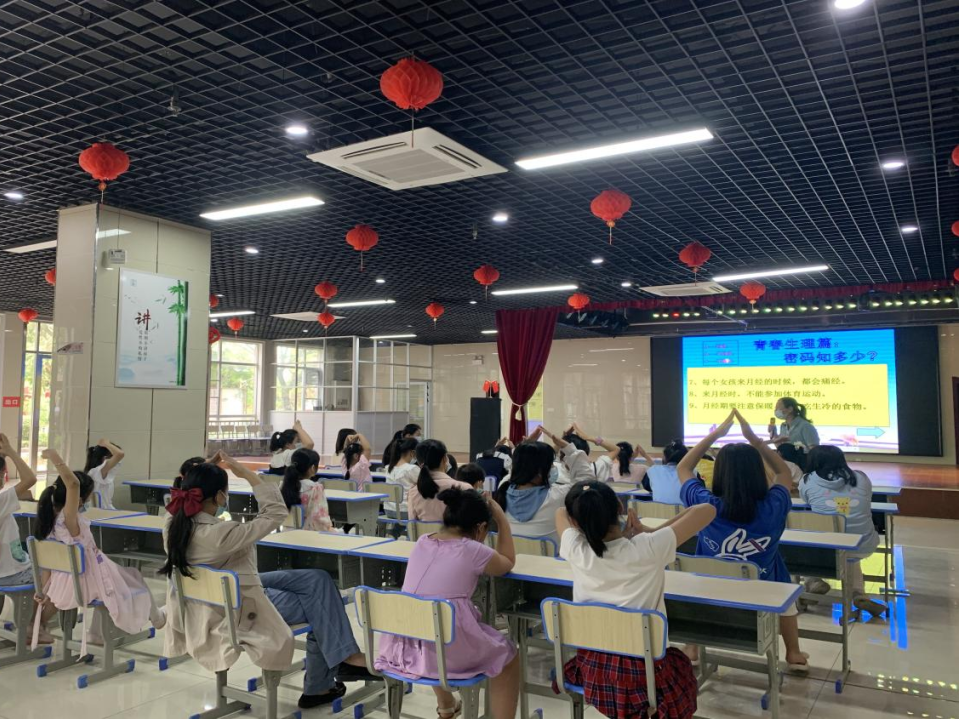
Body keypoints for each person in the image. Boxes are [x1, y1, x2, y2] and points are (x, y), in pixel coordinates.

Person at [160, 452, 373, 709]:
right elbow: (275, 511)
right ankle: (325, 681)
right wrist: (245, 473)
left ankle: (342, 661)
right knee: (322, 604)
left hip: (223, 592)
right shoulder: (220, 533)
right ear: (219, 497)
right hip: (237, 607)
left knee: (318, 579)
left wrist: (202, 472)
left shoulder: (172, 526)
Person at [556, 481, 716, 719]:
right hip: (645, 676)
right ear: (620, 507)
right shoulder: (649, 546)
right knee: (680, 666)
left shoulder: (576, 549)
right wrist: (649, 531)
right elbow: (707, 509)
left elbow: (561, 512)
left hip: (594, 673)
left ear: (576, 523)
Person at [677, 409, 807, 671]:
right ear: (758, 472)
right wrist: (756, 440)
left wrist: (715, 435)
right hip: (764, 595)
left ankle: (691, 647)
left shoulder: (705, 505)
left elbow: (683, 468)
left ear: (719, 472)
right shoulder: (774, 506)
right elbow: (784, 473)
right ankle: (793, 653)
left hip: (711, 590)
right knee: (783, 584)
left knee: (697, 578)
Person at [375, 488, 520, 719]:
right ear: (481, 528)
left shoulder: (422, 542)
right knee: (508, 655)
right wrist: (502, 520)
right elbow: (508, 562)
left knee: (433, 624)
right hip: (443, 653)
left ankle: (446, 706)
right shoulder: (473, 550)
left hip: (402, 649)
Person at [35, 448, 164, 651]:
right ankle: (156, 619)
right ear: (78, 500)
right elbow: (73, 484)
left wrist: (43, 590)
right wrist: (54, 457)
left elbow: (47, 566)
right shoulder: (69, 521)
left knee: (126, 577)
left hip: (65, 581)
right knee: (132, 577)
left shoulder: (49, 522)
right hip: (86, 579)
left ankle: (98, 633)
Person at [799, 445, 884, 615]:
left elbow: (807, 501)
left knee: (812, 537)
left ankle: (813, 582)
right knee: (848, 549)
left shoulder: (807, 480)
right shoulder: (861, 477)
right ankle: (859, 594)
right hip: (863, 543)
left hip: (824, 548)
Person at [494, 426, 593, 543]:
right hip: (551, 555)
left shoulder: (502, 490)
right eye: (551, 465)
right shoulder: (557, 496)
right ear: (540, 473)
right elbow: (587, 481)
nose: (554, 468)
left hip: (512, 554)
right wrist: (569, 449)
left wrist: (524, 448)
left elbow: (514, 471)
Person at [0, 433, 53, 642]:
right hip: (10, 573)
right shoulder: (2, 500)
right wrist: (11, 452)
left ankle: (33, 623)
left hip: (9, 568)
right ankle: (33, 626)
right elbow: (30, 479)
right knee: (54, 574)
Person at [406, 439, 473, 522]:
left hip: (425, 531)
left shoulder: (413, 492)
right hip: (454, 530)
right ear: (445, 459)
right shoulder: (465, 488)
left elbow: (412, 524)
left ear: (419, 463)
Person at [568, 424, 647, 484]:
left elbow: (616, 451)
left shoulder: (561, 470)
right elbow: (616, 450)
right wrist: (588, 437)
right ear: (586, 450)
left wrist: (565, 437)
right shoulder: (596, 468)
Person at [280, 448, 333, 532]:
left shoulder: (284, 485)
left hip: (286, 533)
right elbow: (319, 519)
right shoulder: (315, 488)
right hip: (309, 535)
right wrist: (330, 529)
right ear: (312, 468)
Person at [640, 439, 689, 505]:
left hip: (656, 511)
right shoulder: (693, 473)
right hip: (686, 511)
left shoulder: (652, 471)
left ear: (664, 457)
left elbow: (648, 487)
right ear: (686, 458)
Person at [83, 438, 124, 509]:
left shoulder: (102, 473)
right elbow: (120, 454)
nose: (117, 463)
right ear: (105, 459)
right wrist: (106, 444)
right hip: (100, 511)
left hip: (106, 509)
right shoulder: (97, 472)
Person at [386, 437, 419, 515]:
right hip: (405, 511)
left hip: (388, 510)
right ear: (412, 452)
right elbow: (425, 486)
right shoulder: (411, 468)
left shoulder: (388, 468)